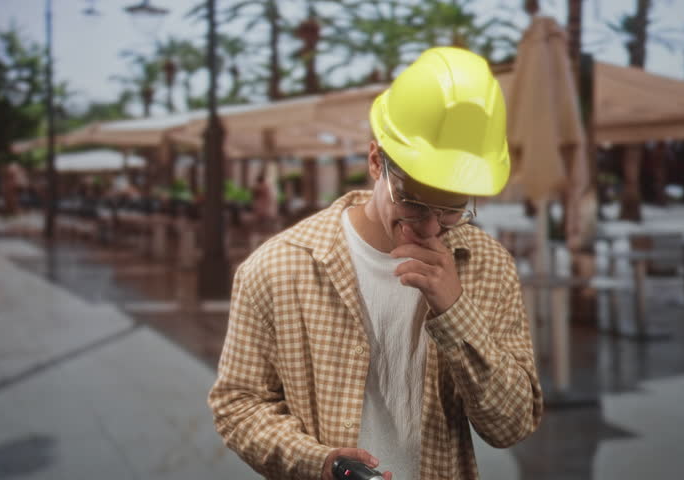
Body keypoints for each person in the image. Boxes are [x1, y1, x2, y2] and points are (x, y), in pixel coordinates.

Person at [209, 47, 543, 480]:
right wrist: (318, 463)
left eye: (451, 210)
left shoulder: (488, 265)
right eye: (412, 201)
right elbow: (238, 405)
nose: (429, 227)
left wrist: (456, 312)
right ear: (374, 162)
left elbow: (512, 425)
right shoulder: (276, 267)